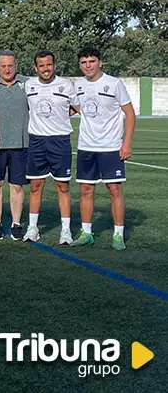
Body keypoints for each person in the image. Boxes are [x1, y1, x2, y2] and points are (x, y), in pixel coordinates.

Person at [70, 47, 135, 250]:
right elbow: (78, 108)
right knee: (85, 189)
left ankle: (118, 235)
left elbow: (130, 114)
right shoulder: (78, 85)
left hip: (111, 146)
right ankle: (87, 233)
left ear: (100, 62)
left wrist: (126, 143)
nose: (88, 65)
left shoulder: (114, 84)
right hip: (86, 146)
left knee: (114, 189)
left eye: (91, 61)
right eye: (83, 62)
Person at [22, 50, 75, 245]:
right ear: (35, 68)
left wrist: (60, 118)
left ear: (54, 65)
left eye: (49, 64)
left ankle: (66, 231)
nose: (46, 68)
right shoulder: (29, 85)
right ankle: (33, 228)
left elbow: (76, 107)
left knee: (63, 186)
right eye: (42, 65)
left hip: (60, 141)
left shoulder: (66, 85)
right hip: (37, 141)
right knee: (36, 186)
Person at [0, 50, 30, 241]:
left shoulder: (27, 84)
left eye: (10, 65)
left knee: (17, 185)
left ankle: (16, 223)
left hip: (21, 143)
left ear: (16, 66)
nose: (7, 69)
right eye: (3, 66)